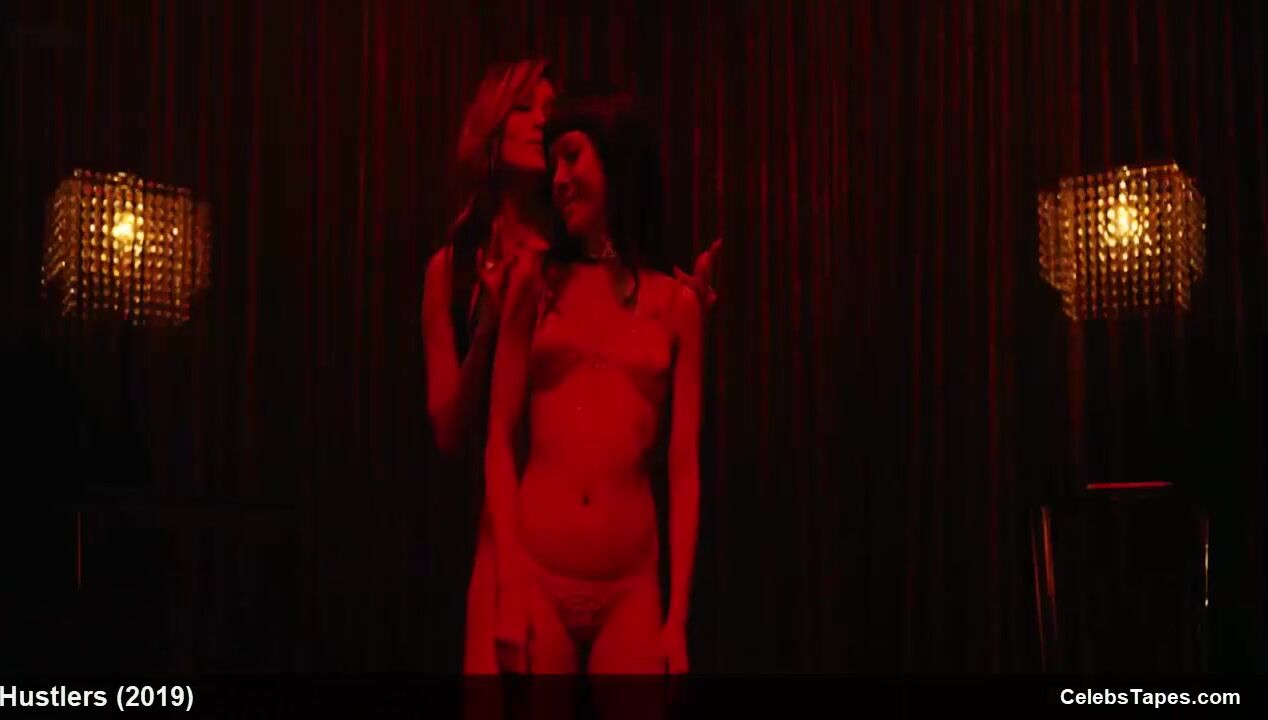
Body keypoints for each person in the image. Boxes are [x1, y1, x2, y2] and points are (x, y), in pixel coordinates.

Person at [421, 61, 718, 674]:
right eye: (526, 108)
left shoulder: (586, 256)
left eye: (551, 113)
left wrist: (686, 311)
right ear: (492, 128)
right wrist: (492, 325)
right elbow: (457, 430)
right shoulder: (467, 270)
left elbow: (672, 442)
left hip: (622, 563)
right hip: (514, 537)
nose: (543, 123)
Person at [484, 92, 701, 674]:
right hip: (538, 577)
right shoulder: (536, 285)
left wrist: (677, 620)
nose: (558, 179)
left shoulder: (676, 305)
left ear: (615, 162)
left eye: (573, 157)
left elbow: (684, 469)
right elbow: (499, 441)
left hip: (631, 589)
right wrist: (508, 590)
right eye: (553, 163)